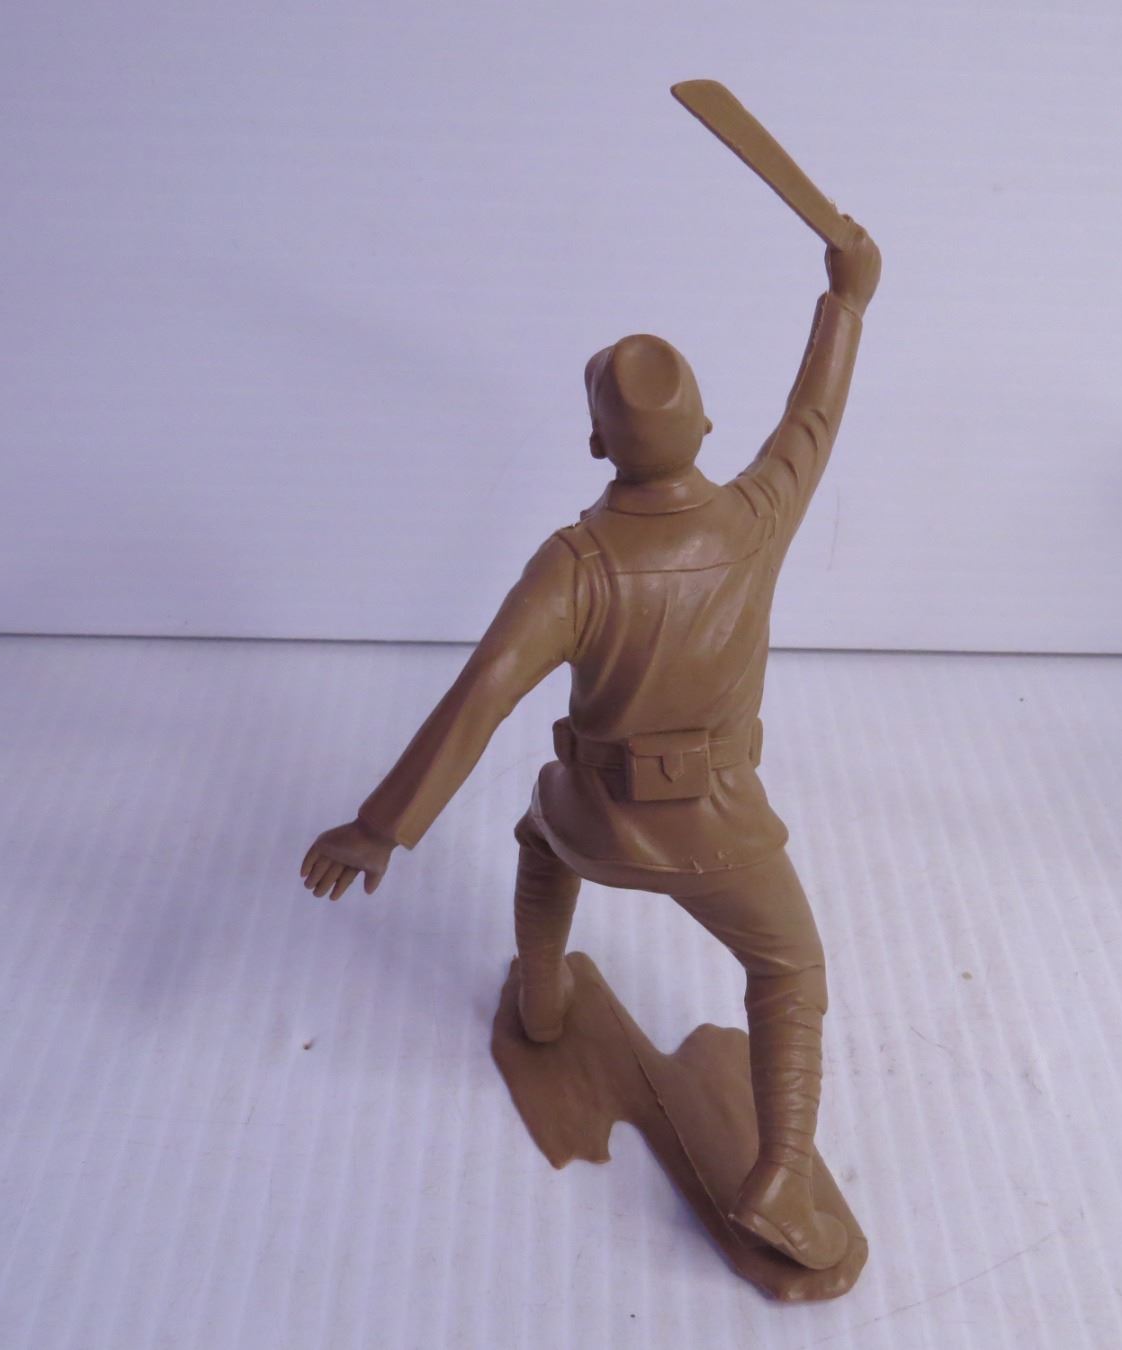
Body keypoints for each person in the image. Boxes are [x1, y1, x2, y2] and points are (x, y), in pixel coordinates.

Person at [301, 220, 881, 1269]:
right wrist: (847, 300)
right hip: (716, 831)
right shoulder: (758, 515)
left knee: (539, 838)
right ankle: (783, 1175)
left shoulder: (573, 562)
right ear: (708, 426)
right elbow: (815, 413)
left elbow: (482, 694)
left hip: (594, 814)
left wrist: (382, 828)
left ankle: (541, 1000)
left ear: (597, 446)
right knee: (789, 968)